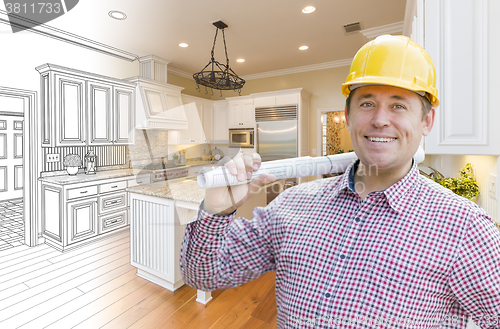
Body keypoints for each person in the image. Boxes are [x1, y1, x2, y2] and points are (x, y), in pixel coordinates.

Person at [180, 35, 500, 328]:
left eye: (399, 105)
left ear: (426, 121)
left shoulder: (466, 230)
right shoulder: (292, 204)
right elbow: (202, 275)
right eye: (367, 103)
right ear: (348, 117)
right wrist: (216, 211)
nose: (379, 119)